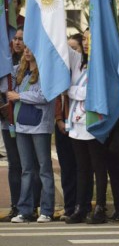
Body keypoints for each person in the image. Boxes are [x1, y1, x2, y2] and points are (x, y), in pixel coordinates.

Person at [7, 46, 55, 223]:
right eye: (25, 48)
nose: (27, 51)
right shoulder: (19, 71)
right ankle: (25, 210)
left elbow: (44, 96)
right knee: (26, 169)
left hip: (40, 125)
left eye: (31, 48)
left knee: (44, 169)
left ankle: (47, 210)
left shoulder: (45, 71)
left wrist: (19, 96)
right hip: (21, 126)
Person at [64, 33, 106, 224]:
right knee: (82, 168)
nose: (87, 43)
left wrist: (72, 91)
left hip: (93, 123)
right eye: (85, 40)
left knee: (98, 167)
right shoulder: (77, 60)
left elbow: (93, 93)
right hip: (76, 123)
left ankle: (100, 207)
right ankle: (82, 207)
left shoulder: (101, 62)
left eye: (91, 39)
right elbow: (61, 46)